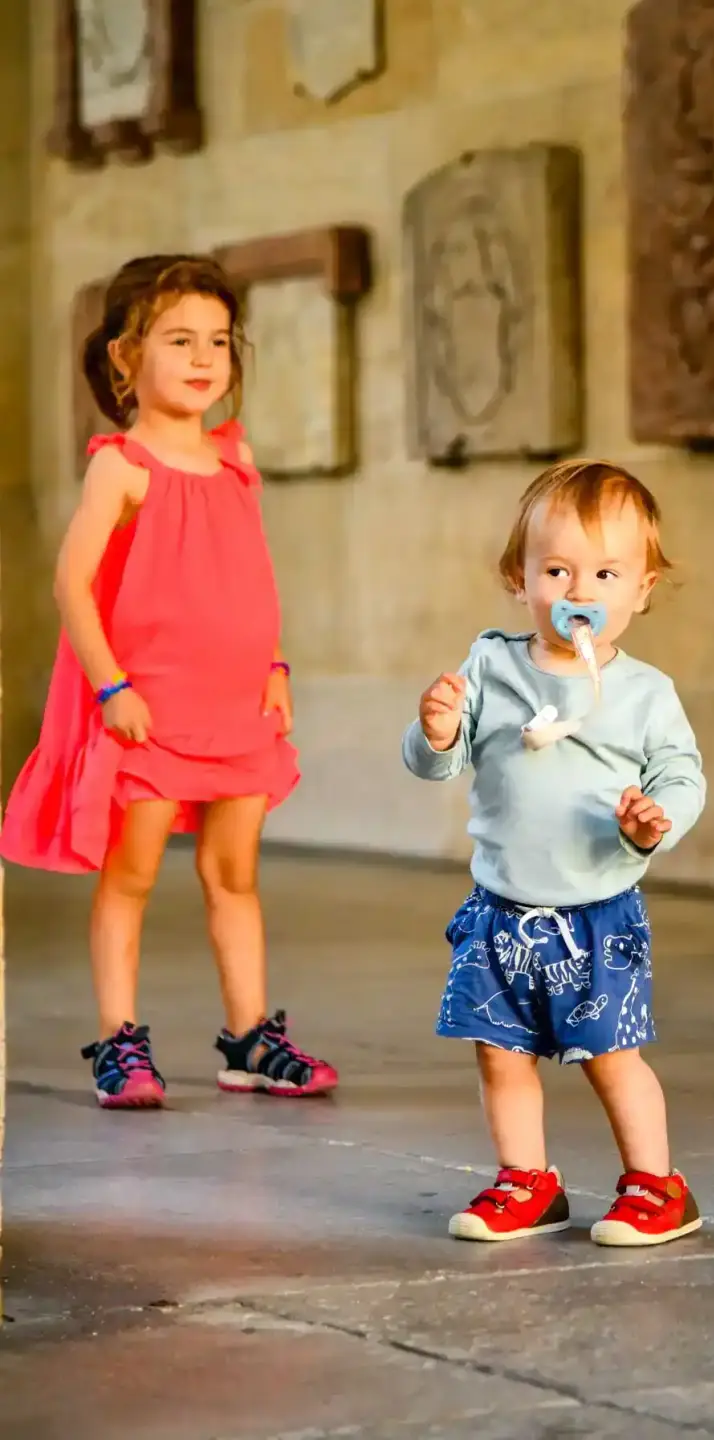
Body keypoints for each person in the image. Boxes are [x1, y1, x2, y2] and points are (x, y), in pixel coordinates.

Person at [0, 254, 338, 1109]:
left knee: (235, 877)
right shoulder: (123, 464)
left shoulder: (235, 458)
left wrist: (274, 666)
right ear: (125, 357)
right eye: (179, 339)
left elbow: (248, 574)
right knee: (133, 874)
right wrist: (112, 688)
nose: (203, 358)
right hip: (148, 710)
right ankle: (119, 1040)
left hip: (236, 706)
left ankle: (251, 1038)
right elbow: (72, 585)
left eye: (218, 341)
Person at [402, 460, 706, 1245]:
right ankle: (528, 1180)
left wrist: (654, 818)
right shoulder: (493, 667)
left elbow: (680, 774)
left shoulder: (642, 692)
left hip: (596, 912)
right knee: (501, 1056)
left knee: (611, 1056)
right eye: (558, 569)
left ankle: (656, 1185)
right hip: (502, 905)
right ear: (520, 576)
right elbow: (441, 758)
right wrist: (436, 731)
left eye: (606, 573)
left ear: (641, 589)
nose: (581, 591)